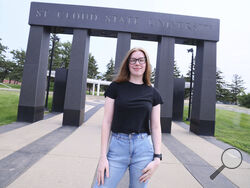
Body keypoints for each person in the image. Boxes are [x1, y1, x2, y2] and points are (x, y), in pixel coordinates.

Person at [93, 47, 163, 188]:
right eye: (133, 60)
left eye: (141, 60)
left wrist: (157, 158)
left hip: (143, 150)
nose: (137, 63)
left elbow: (155, 127)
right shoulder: (115, 88)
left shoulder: (153, 93)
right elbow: (107, 122)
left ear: (146, 64)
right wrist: (102, 157)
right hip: (117, 148)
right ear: (128, 64)